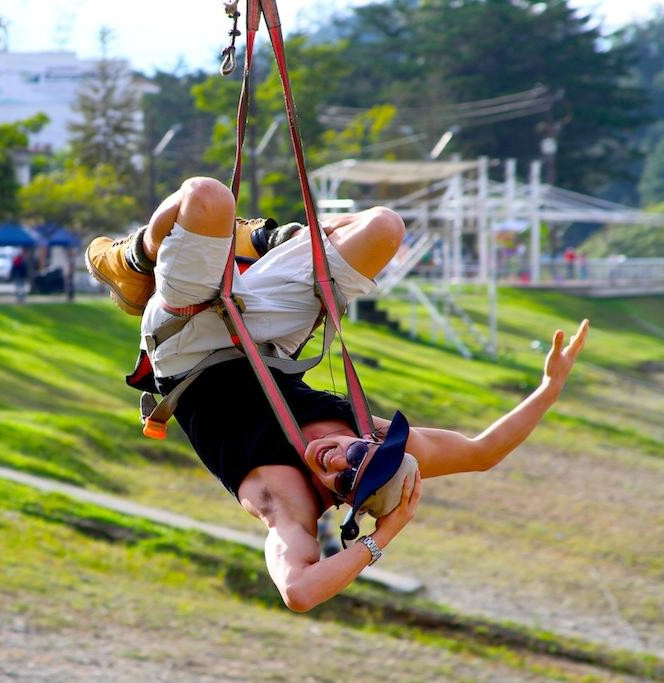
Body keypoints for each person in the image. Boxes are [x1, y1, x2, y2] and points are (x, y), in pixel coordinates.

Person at [86, 177, 589, 611]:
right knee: (383, 228)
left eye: (343, 480)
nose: (337, 459)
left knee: (207, 196)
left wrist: (381, 538)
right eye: (358, 456)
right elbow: (483, 453)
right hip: (262, 338)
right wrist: (549, 388)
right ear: (374, 445)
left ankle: (130, 263)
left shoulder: (286, 501)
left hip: (187, 346)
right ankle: (258, 242)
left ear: (342, 498)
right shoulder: (371, 437)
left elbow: (299, 593)